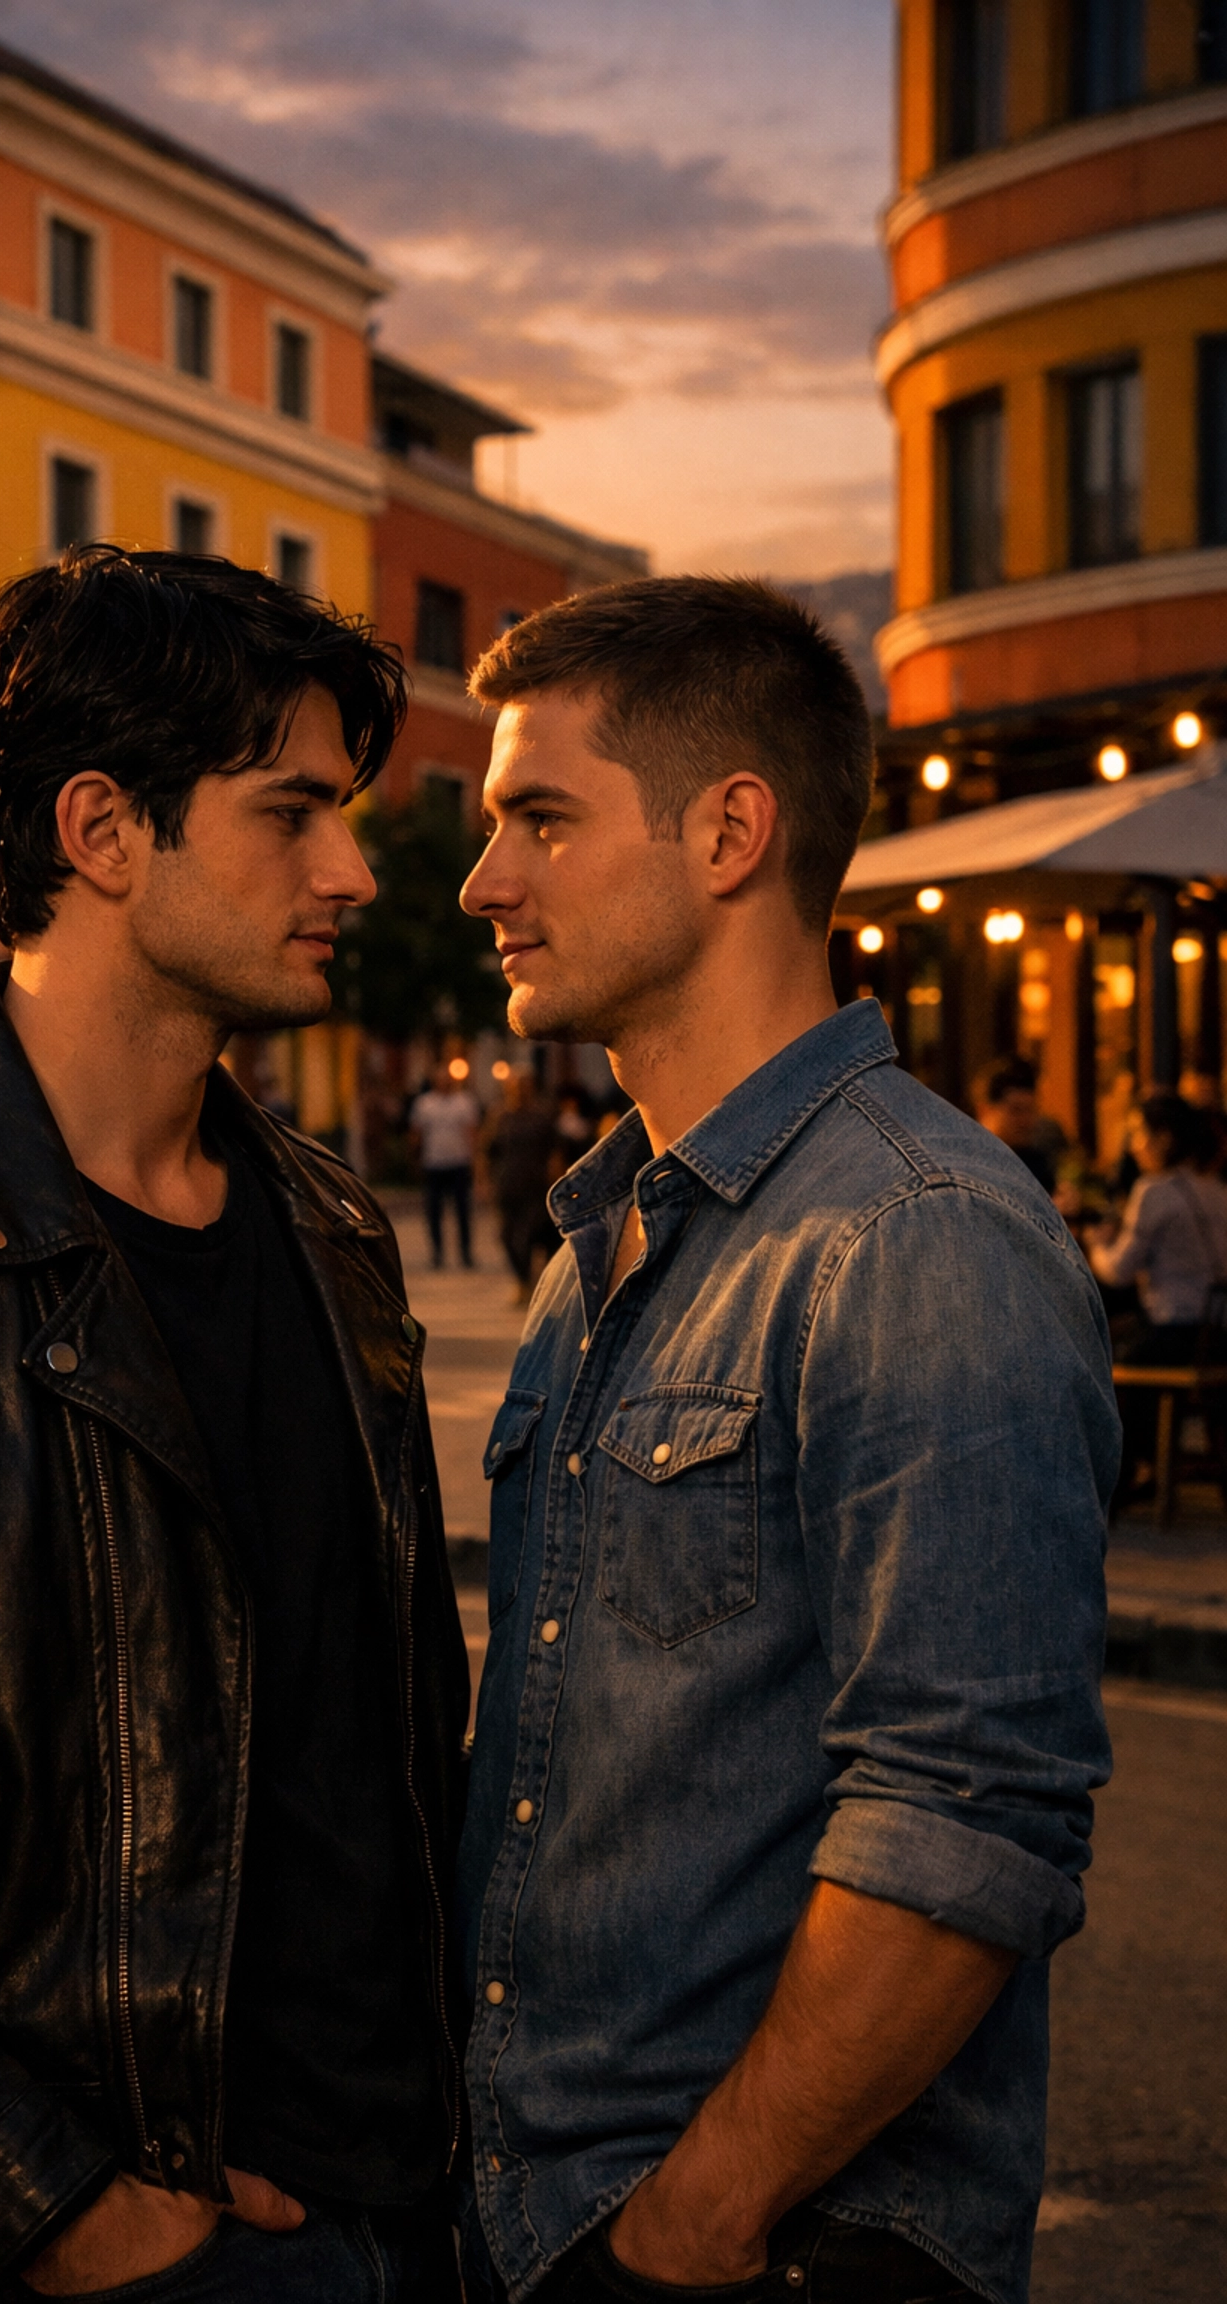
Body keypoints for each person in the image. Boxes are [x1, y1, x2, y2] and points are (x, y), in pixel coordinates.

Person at [0, 548, 470, 2304]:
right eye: (292, 812)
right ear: (103, 830)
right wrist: (50, 2209)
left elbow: (399, 1745)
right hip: (100, 2252)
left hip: (405, 2208)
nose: (352, 870)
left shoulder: (334, 1231)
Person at [454, 576, 1118, 2304]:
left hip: (767, 2249)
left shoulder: (916, 1236)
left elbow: (964, 1824)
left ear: (730, 831)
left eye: (540, 818)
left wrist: (693, 2221)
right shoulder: (602, 1244)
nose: (484, 882)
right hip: (550, 2217)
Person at [1089, 1090, 1227, 1497]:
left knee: (1099, 1355)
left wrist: (1095, 1244)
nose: (1133, 1146)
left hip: (1175, 1334)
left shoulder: (1153, 1191)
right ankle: (1149, 1464)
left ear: (1163, 1138)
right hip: (1216, 1335)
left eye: (1137, 1134)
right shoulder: (1216, 1189)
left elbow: (1118, 1271)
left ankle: (1132, 1470)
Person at [482, 1069, 559, 1304]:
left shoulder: (542, 1117)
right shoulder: (500, 1117)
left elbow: (555, 1151)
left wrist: (556, 1180)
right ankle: (523, 1280)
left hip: (535, 1188)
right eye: (515, 1087)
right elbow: (487, 1151)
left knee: (526, 1237)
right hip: (506, 1186)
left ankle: (529, 1283)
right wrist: (483, 1180)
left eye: (524, 1087)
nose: (519, 1092)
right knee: (506, 1237)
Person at [410, 1065, 481, 1269]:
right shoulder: (424, 1104)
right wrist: (415, 1159)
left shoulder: (464, 1102)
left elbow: (471, 1133)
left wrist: (475, 1161)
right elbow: (416, 1133)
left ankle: (466, 1252)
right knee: (434, 1211)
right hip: (434, 1163)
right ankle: (437, 1252)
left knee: (463, 1211)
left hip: (459, 1162)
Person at [972, 1055, 1062, 1196]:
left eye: (1031, 1110)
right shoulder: (966, 1163)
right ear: (984, 1110)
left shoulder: (1035, 1163)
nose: (1026, 1120)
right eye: (1016, 1110)